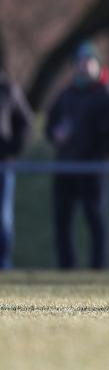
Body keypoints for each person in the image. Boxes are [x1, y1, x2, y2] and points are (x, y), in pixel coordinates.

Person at [45, 42, 109, 269]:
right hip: (65, 167)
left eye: (88, 61)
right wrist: (56, 135)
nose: (83, 66)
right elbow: (50, 125)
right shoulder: (66, 94)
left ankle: (98, 268)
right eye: (79, 62)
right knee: (62, 221)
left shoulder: (104, 96)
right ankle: (66, 267)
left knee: (95, 219)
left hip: (92, 169)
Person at [0, 67, 33, 269]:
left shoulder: (8, 90)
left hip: (3, 164)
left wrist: (11, 149)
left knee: (3, 220)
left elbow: (26, 123)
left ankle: (4, 264)